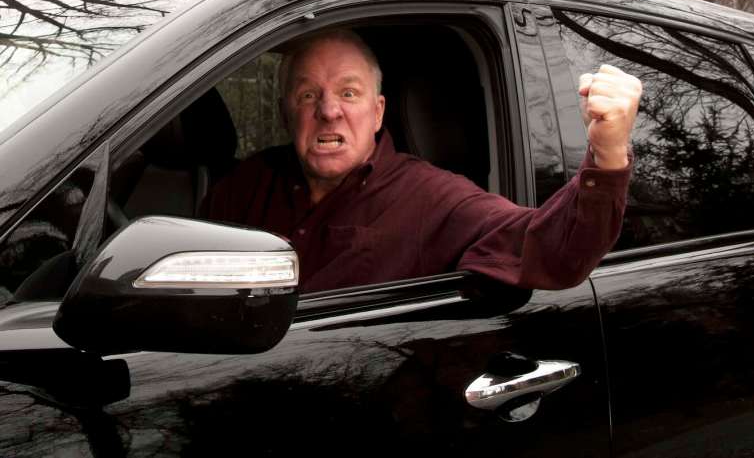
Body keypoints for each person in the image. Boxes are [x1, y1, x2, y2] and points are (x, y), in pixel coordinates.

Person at [202, 28, 641, 293]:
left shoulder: (433, 199)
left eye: (349, 93)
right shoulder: (246, 185)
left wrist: (606, 155)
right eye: (308, 94)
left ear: (378, 112)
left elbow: (552, 250)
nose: (329, 110)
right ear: (287, 113)